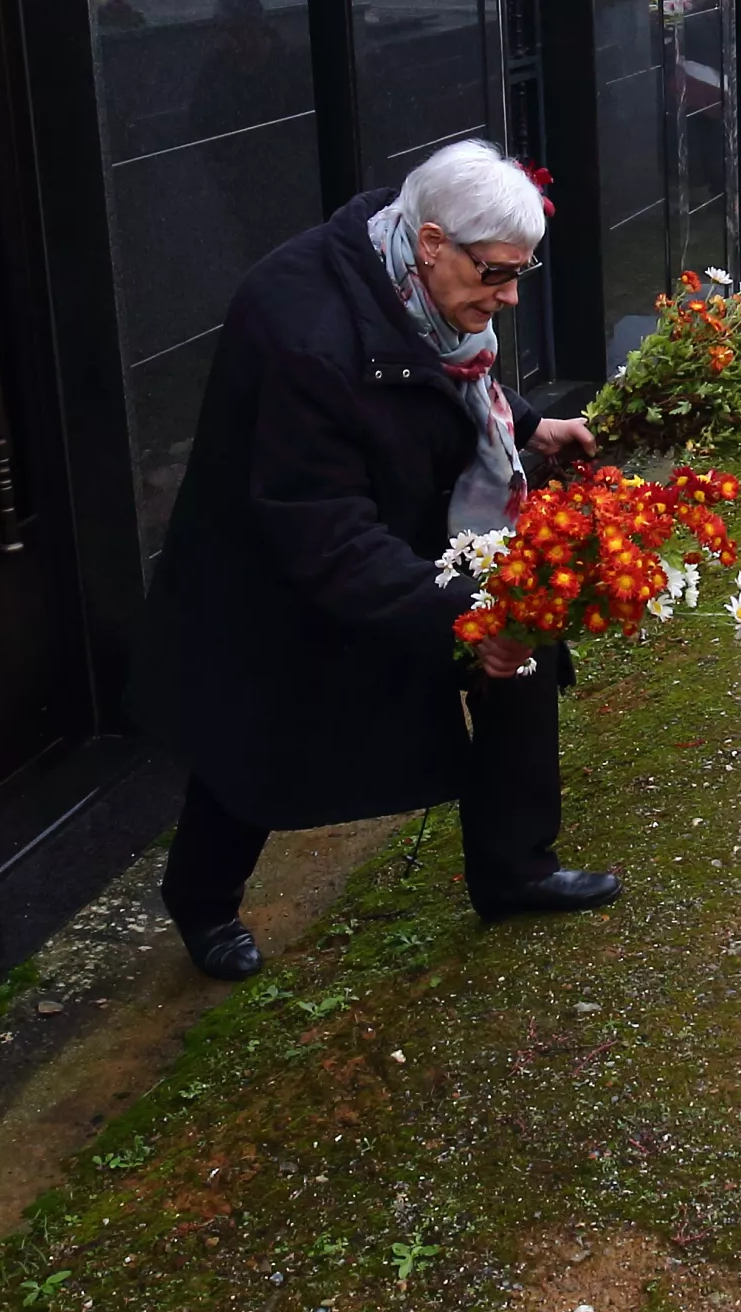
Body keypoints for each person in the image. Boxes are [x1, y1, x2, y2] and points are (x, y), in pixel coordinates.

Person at [125, 141, 615, 979]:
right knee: (259, 734)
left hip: (411, 515)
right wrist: (467, 610)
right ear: (430, 243)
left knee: (523, 650)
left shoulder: (411, 268)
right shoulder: (307, 333)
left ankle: (515, 867)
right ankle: (203, 902)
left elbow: (455, 377)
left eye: (521, 272)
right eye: (496, 273)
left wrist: (526, 426)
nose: (508, 296)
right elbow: (325, 532)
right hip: (279, 563)